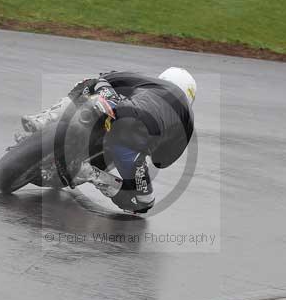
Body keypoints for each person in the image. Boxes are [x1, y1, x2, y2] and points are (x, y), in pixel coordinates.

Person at [20, 67, 196, 214]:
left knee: (90, 83)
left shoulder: (146, 80)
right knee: (144, 203)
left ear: (163, 77)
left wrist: (106, 92)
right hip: (130, 146)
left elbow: (105, 77)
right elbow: (161, 161)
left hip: (114, 110)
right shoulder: (188, 119)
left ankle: (44, 118)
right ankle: (90, 173)